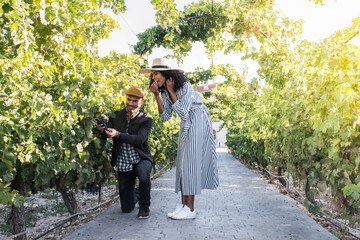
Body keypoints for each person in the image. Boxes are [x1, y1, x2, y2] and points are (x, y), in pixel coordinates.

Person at [140, 58, 219, 220]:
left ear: (166, 74)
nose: (154, 77)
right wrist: (157, 95)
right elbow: (165, 116)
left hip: (198, 119)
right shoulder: (164, 91)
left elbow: (183, 112)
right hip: (187, 122)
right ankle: (183, 205)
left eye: (156, 73)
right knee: (183, 165)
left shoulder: (184, 86)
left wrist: (171, 91)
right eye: (152, 74)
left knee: (190, 164)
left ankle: (190, 209)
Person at [95, 86, 153, 219]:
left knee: (144, 175)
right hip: (124, 160)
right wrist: (101, 130)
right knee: (126, 208)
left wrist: (118, 134)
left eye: (134, 101)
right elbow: (107, 133)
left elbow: (139, 140)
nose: (131, 103)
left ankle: (145, 207)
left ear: (141, 102)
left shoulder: (146, 119)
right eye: (129, 100)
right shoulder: (116, 115)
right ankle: (138, 193)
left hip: (140, 158)